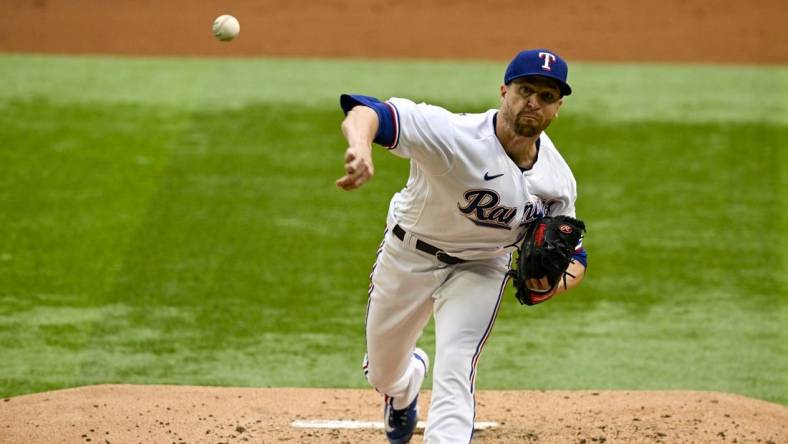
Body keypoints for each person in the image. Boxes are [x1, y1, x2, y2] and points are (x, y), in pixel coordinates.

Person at [335, 49, 588, 444]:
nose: (533, 103)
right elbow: (368, 112)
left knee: (457, 366)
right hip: (409, 254)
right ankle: (404, 389)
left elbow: (575, 255)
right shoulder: (452, 136)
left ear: (558, 108)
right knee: (382, 372)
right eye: (525, 90)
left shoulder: (558, 180)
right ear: (504, 90)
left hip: (482, 268)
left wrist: (551, 284)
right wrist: (361, 147)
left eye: (547, 96)